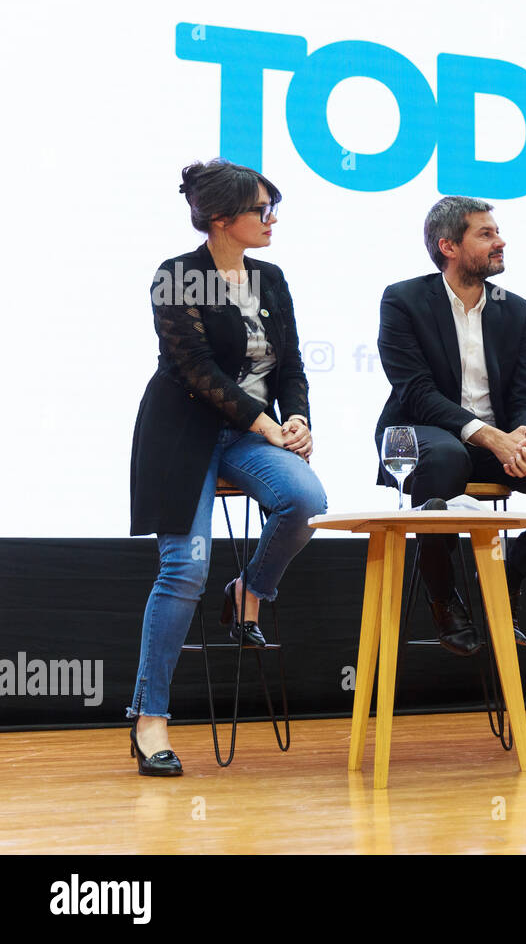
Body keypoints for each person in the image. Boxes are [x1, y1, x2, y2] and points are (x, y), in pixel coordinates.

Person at [128, 159, 327, 775]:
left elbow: (290, 364)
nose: (272, 220)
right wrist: (266, 422)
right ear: (221, 219)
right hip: (184, 433)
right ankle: (149, 718)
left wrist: (298, 420)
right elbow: (194, 370)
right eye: (260, 210)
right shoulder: (178, 275)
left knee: (305, 502)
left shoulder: (271, 278)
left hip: (250, 436)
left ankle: (251, 591)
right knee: (184, 570)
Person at [375, 196, 526, 655]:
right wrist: (491, 438)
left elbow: (524, 392)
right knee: (446, 457)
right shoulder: (403, 299)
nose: (500, 241)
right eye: (485, 234)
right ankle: (443, 598)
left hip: (496, 441)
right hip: (418, 435)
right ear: (448, 245)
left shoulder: (515, 308)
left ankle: (508, 578)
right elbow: (416, 393)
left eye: (497, 232)